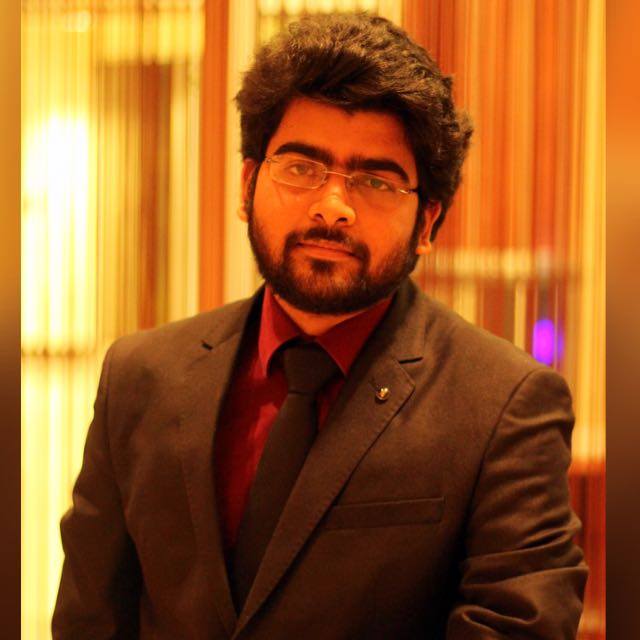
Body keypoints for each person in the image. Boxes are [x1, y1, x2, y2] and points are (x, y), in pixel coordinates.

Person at [52, 12, 587, 639]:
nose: (332, 207)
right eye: (301, 167)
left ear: (426, 223)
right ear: (248, 184)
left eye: (375, 180)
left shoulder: (503, 405)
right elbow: (90, 619)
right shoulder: (140, 376)